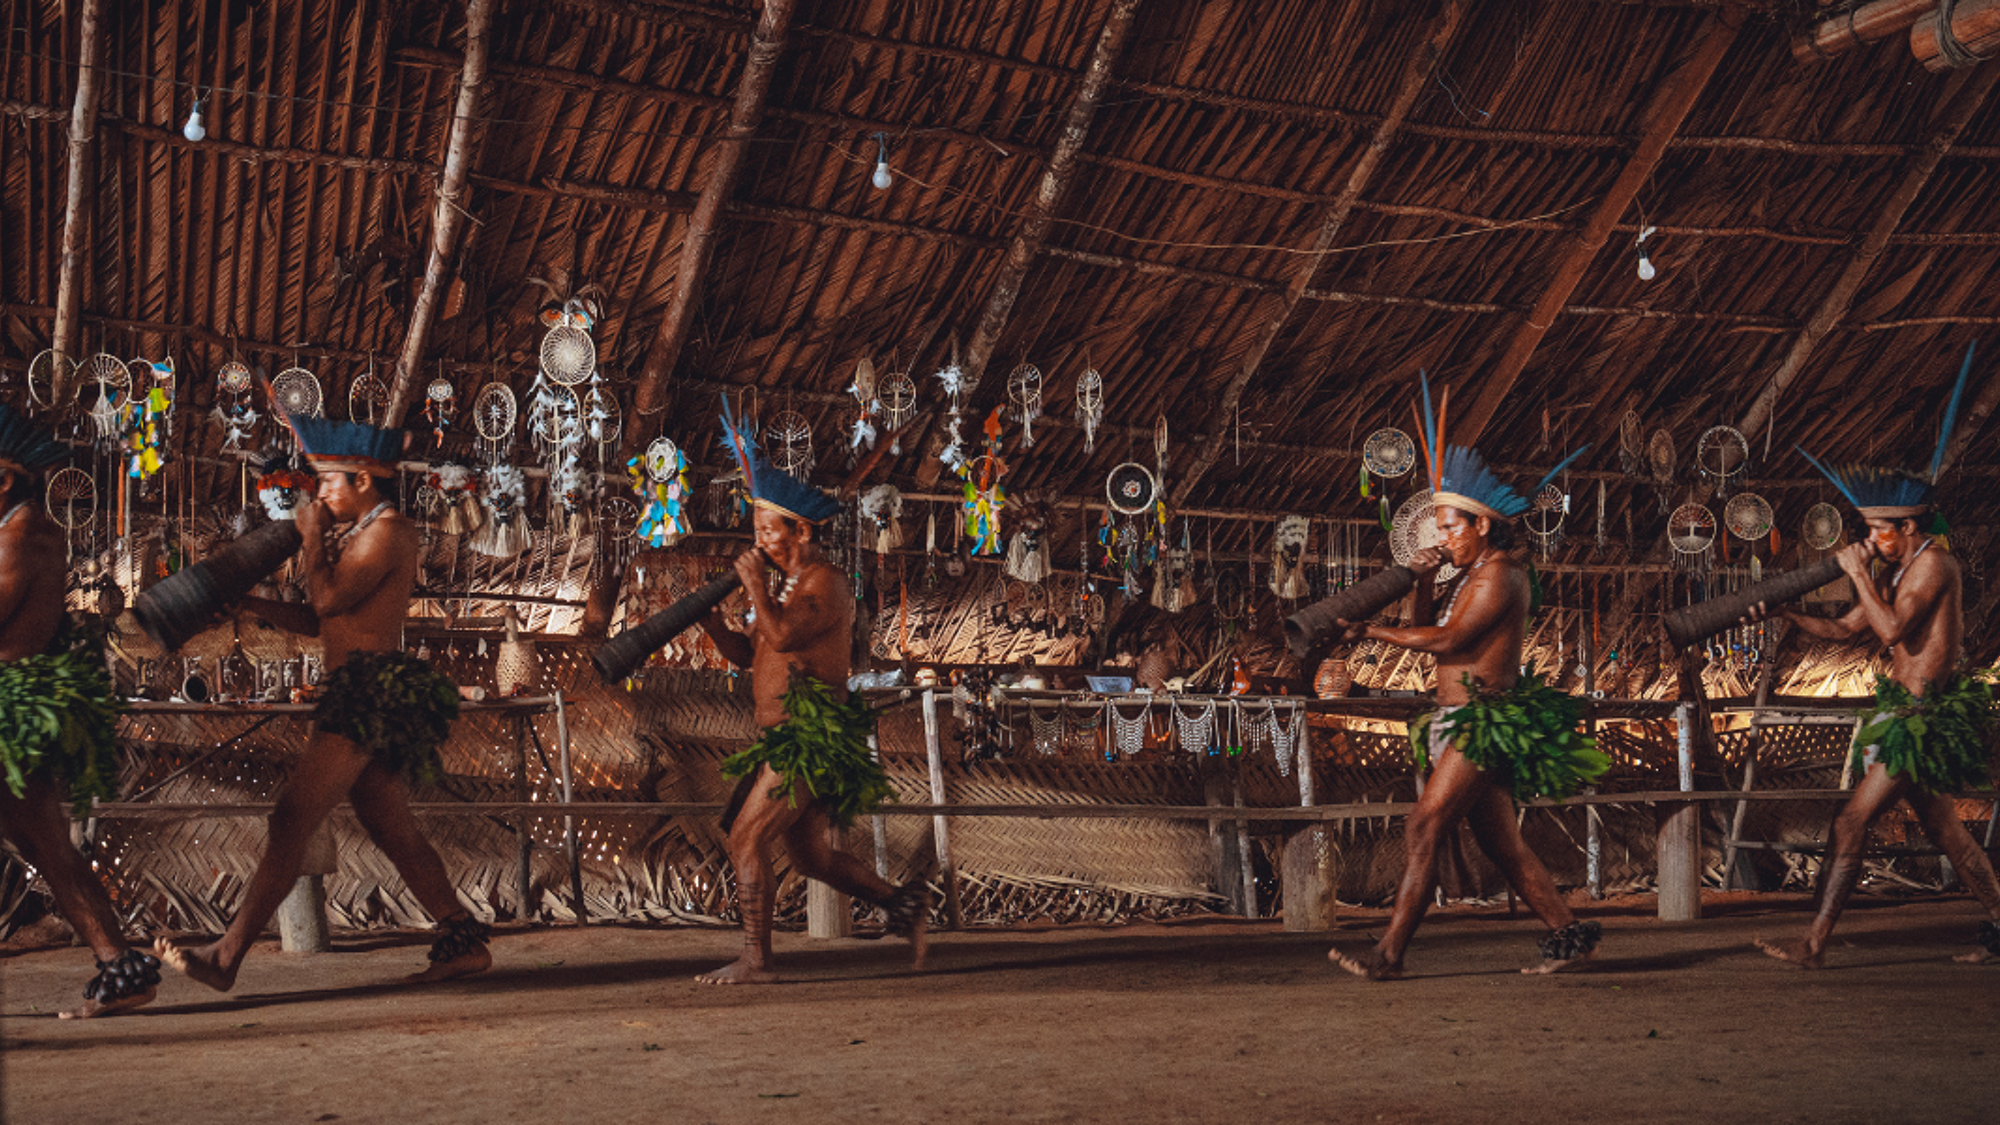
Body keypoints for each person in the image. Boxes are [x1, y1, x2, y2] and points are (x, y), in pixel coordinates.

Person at [157, 415, 490, 991]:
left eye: (330, 482)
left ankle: (226, 957)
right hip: (363, 688)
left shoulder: (389, 532)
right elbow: (317, 618)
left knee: (291, 819)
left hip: (366, 694)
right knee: (390, 825)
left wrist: (310, 537)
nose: (321, 494)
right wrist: (251, 607)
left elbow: (330, 598)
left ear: (364, 479)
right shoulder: (363, 532)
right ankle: (462, 940)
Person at [1332, 374, 1608, 980]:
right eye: (1440, 529)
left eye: (1452, 527)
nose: (1444, 537)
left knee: (1424, 824)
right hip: (1457, 720)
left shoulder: (1500, 575)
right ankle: (1569, 936)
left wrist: (1370, 632)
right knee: (1504, 847)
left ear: (1482, 525)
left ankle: (1388, 955)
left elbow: (1452, 642)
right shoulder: (1468, 574)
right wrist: (1425, 581)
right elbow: (1430, 626)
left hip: (1482, 725)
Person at [1750, 348, 1999, 968]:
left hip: (1924, 717)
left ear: (1907, 528)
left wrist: (1859, 573)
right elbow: (1842, 630)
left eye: (1877, 532)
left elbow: (1888, 629)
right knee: (1947, 830)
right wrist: (1784, 615)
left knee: (1850, 821)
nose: (1869, 543)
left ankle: (1813, 945)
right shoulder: (1900, 567)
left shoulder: (1933, 565)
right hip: (1904, 711)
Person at [689, 401, 928, 984]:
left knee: (745, 838)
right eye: (756, 533)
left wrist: (753, 586)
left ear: (800, 529)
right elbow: (755, 652)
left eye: (767, 531)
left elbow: (784, 633)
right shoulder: (788, 584)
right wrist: (715, 624)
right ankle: (905, 905)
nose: (759, 542)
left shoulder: (826, 583)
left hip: (810, 738)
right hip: (789, 736)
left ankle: (756, 960)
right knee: (810, 857)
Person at [0, 403, 161, 1018]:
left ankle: (113, 960)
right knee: (48, 846)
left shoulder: (25, 535)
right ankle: (120, 966)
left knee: (49, 846)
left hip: (13, 712)